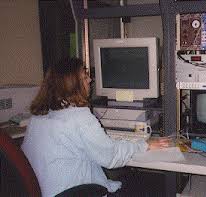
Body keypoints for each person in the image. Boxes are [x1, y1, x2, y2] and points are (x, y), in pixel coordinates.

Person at [21, 58, 170, 197]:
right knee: (154, 185)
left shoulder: (38, 117)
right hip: (75, 192)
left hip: (46, 192)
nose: (90, 80)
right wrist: (144, 145)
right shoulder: (78, 117)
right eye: (85, 76)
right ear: (73, 84)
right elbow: (111, 157)